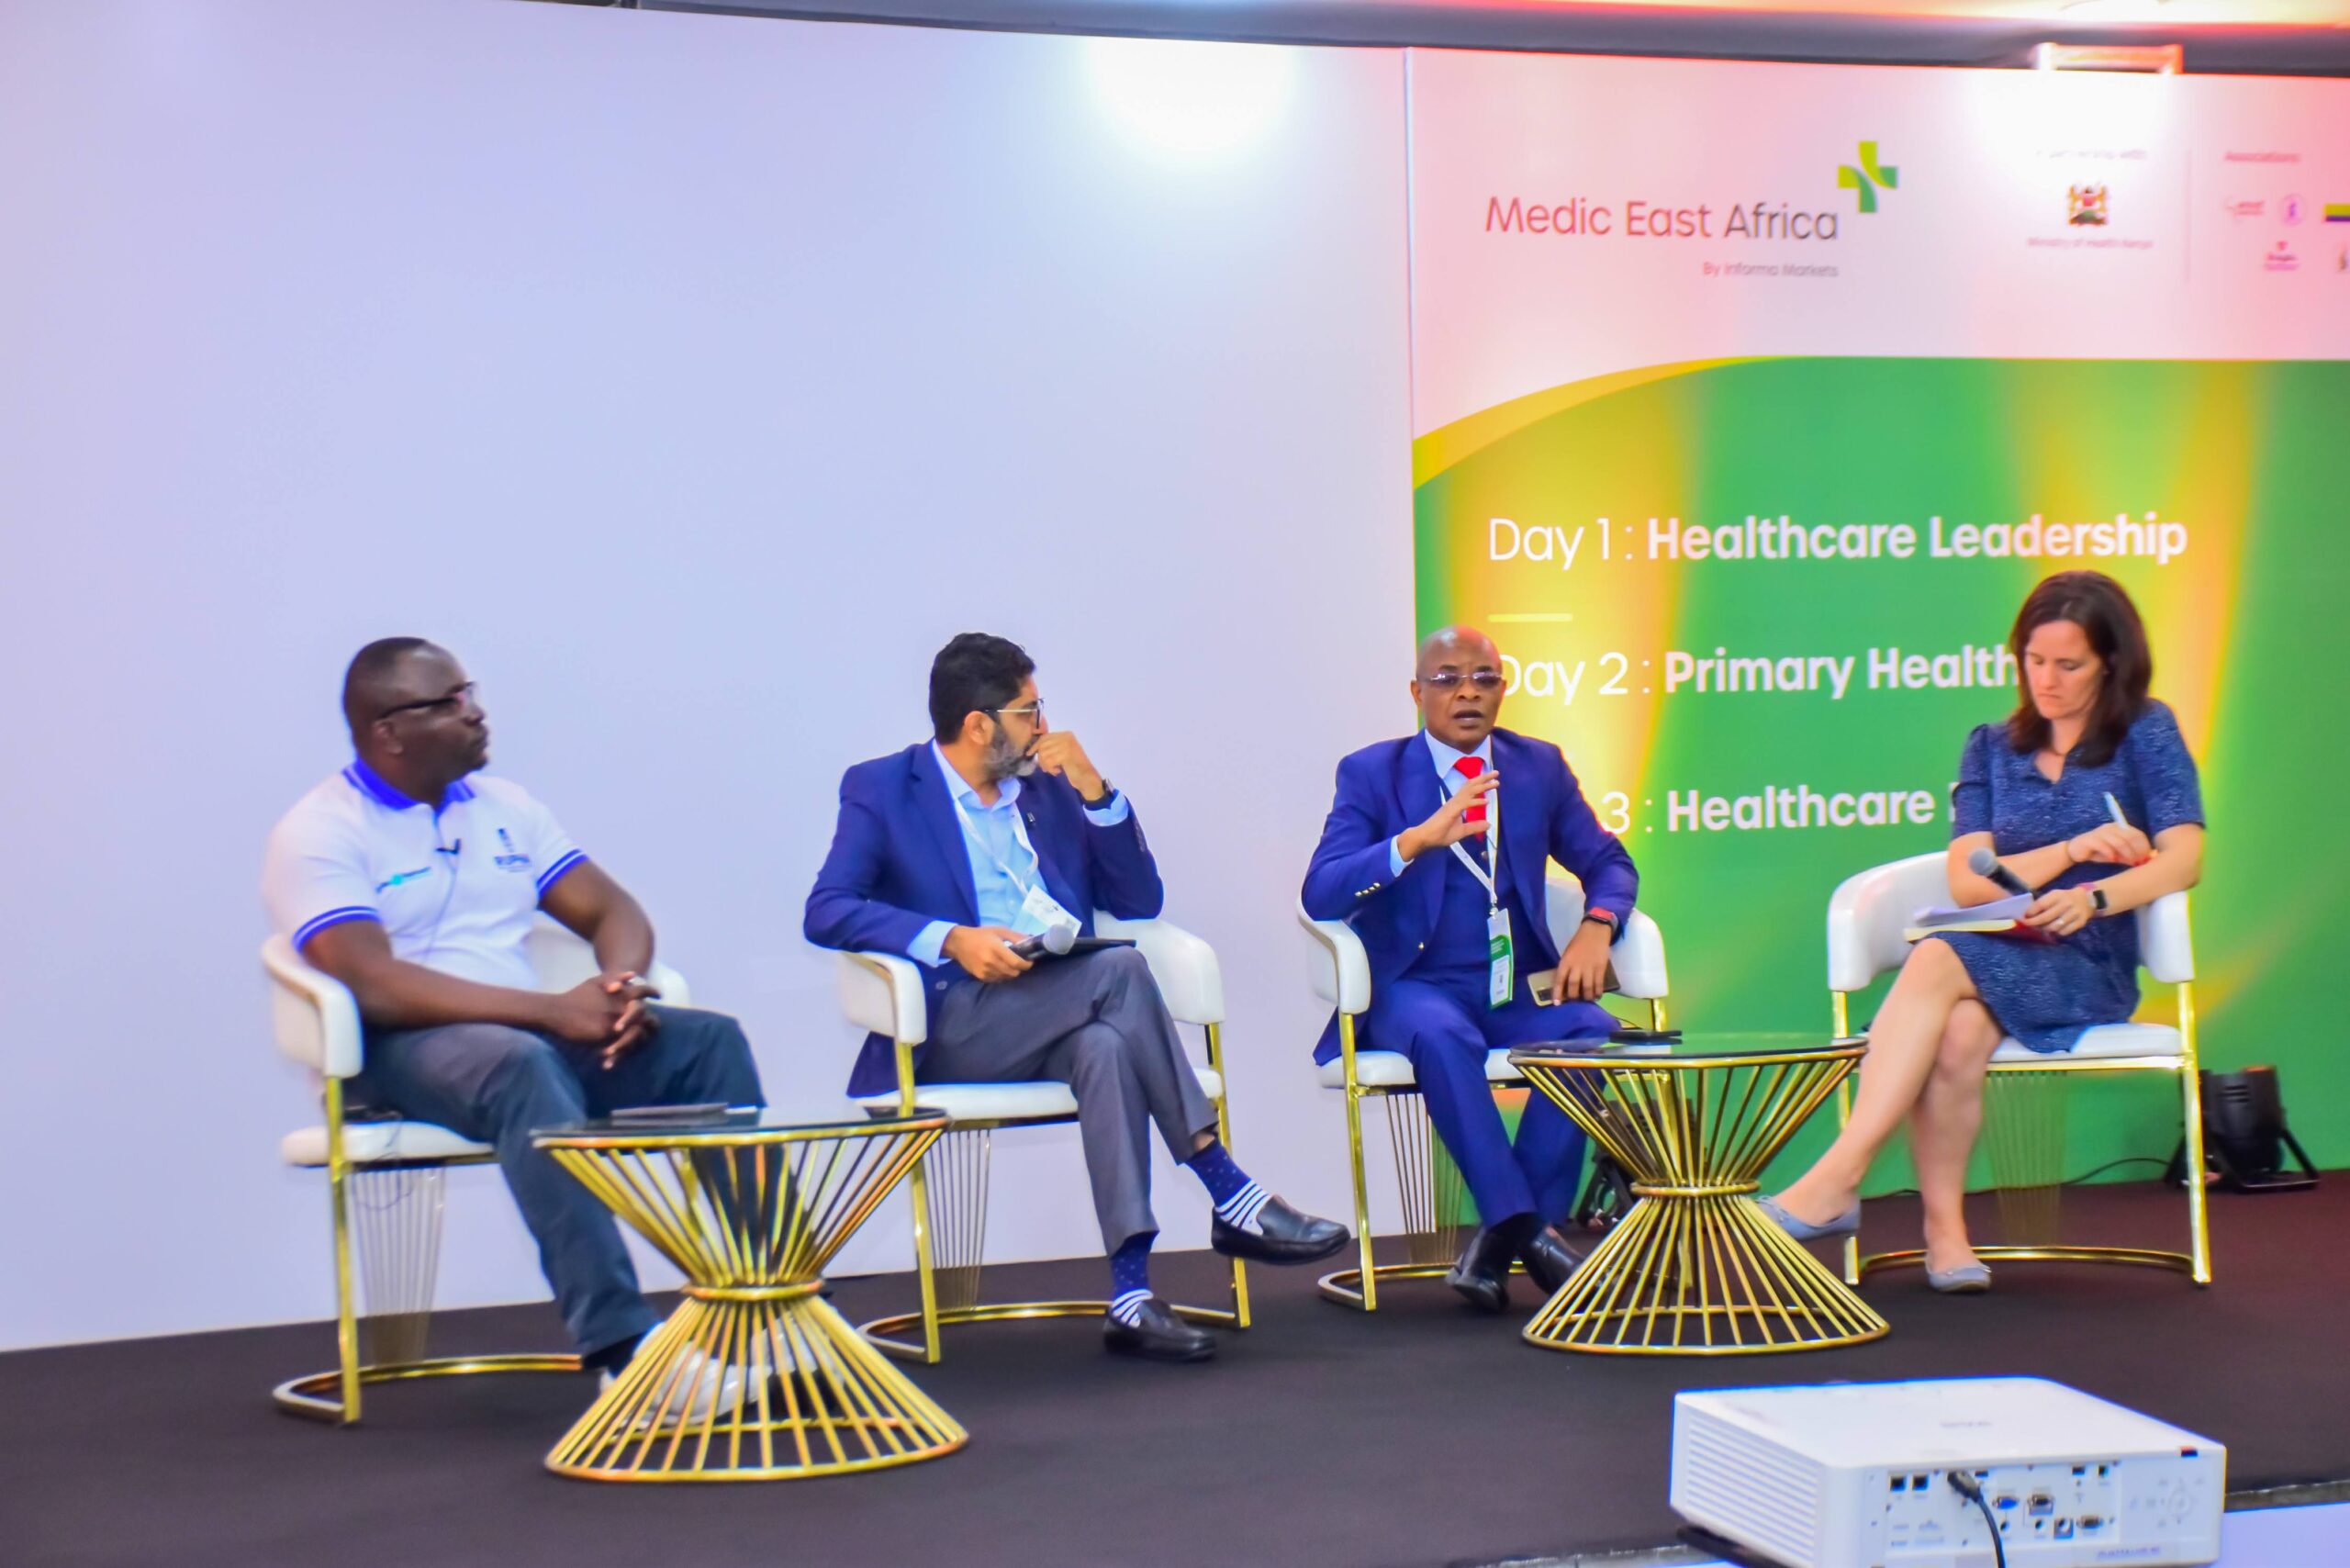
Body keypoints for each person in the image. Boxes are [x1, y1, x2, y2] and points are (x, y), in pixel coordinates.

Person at [805, 632, 1348, 1363]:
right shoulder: (883, 789)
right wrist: (951, 938)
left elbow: (1140, 900)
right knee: (1119, 971)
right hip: (956, 1020)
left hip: (1062, 1006)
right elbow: (828, 910)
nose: (1043, 725)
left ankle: (1131, 1296)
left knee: (1106, 1047)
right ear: (978, 725)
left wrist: (1096, 790)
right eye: (1028, 711)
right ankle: (1229, 1189)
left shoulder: (1050, 789)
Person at [263, 638, 766, 1415]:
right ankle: (625, 1352)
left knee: (706, 1042)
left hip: (523, 1037)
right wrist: (556, 1011)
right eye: (450, 702)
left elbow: (613, 909)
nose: (476, 713)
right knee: (519, 1064)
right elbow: (372, 983)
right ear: (388, 730)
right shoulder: (321, 830)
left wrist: (621, 987)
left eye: (470, 693)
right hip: (395, 1052)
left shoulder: (504, 808)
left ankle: (771, 1308)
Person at [1761, 571, 2205, 1293]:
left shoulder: (2146, 732)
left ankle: (1837, 1180)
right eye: (2035, 661)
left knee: (1938, 957)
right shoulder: (1992, 746)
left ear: (2110, 664)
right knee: (1960, 1030)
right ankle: (1946, 1236)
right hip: (2001, 949)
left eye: (2069, 665)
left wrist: (2094, 897)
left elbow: (2184, 858)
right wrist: (2072, 848)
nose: (2046, 681)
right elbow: (1970, 883)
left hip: (2087, 963)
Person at [1302, 626, 1639, 1311]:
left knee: (1592, 1031)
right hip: (1414, 986)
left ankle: (1504, 1237)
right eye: (1448, 679)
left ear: (1502, 689)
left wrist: (1598, 926)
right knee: (1443, 1035)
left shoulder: (1537, 766)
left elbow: (1609, 862)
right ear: (1417, 692)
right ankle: (1533, 1234)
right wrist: (1412, 842)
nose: (1467, 693)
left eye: (1484, 679)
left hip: (1514, 987)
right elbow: (1321, 891)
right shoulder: (1372, 773)